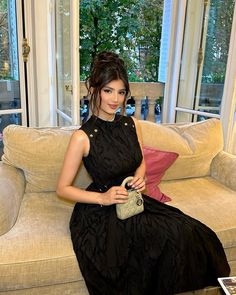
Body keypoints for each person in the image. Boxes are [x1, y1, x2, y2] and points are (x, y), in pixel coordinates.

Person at [56, 51, 230, 295]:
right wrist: (103, 198)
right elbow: (62, 188)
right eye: (108, 90)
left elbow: (140, 162)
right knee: (146, 246)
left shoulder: (130, 124)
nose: (115, 99)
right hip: (102, 211)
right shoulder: (82, 137)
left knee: (190, 230)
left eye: (121, 92)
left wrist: (141, 176)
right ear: (94, 90)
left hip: (134, 201)